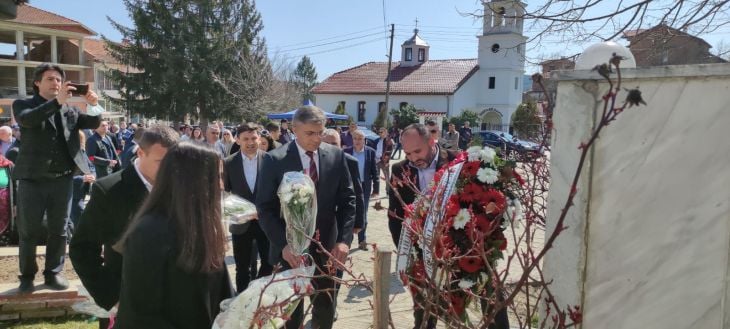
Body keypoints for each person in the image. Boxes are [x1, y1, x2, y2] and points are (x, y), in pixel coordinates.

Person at [114, 142, 233, 329]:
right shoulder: (148, 233)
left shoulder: (201, 226)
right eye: (215, 177)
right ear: (191, 181)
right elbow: (140, 313)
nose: (221, 184)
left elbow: (222, 294)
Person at [256, 105, 355, 329]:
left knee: (325, 308)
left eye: (320, 132)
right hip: (289, 253)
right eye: (310, 133)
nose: (317, 139)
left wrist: (344, 241)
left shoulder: (336, 156)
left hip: (327, 249)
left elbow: (348, 201)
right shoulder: (275, 160)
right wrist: (283, 244)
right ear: (294, 129)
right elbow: (264, 208)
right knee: (290, 314)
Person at [12, 63, 103, 293]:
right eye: (50, 79)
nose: (56, 83)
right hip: (32, 180)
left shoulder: (69, 110)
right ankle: (27, 275)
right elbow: (28, 120)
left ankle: (54, 272)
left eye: (59, 80)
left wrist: (94, 105)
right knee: (28, 230)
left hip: (61, 180)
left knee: (59, 229)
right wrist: (57, 102)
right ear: (37, 83)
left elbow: (92, 122)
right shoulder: (23, 104)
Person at [70, 125, 179, 311]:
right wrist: (112, 297)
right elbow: (82, 248)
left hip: (176, 300)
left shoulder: (182, 185)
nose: (170, 169)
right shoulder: (110, 190)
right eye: (161, 161)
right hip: (130, 298)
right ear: (140, 153)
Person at [387, 123, 457, 329]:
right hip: (420, 251)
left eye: (418, 151)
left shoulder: (456, 161)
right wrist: (407, 252)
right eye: (408, 153)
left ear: (432, 141)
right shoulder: (399, 169)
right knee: (424, 313)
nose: (413, 158)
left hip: (458, 248)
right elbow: (395, 215)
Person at [223, 123, 272, 293]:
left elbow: (276, 192)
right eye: (246, 139)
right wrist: (241, 211)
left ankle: (259, 296)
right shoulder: (228, 163)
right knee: (242, 268)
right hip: (241, 225)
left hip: (266, 224)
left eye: (254, 138)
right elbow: (224, 195)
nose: (250, 142)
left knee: (268, 264)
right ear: (237, 140)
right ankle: (243, 302)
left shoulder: (270, 160)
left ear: (259, 138)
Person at [321, 128, 364, 321]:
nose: (330, 147)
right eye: (327, 143)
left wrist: (358, 222)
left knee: (336, 266)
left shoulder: (350, 162)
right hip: (321, 224)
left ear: (341, 145)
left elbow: (357, 195)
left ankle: (332, 304)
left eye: (334, 144)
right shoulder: (315, 162)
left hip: (342, 223)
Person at [345, 129, 378, 251]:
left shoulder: (370, 152)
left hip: (364, 187)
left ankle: (362, 240)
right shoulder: (346, 152)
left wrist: (376, 188)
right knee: (348, 213)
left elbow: (375, 171)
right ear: (352, 139)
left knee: (363, 213)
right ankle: (347, 241)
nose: (357, 141)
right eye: (355, 138)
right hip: (349, 186)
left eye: (360, 139)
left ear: (364, 140)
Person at [69, 131, 95, 234]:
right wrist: (82, 178)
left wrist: (93, 174)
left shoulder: (83, 152)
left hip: (82, 190)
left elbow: (91, 166)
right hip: (72, 192)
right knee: (78, 217)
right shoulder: (68, 154)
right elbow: (64, 176)